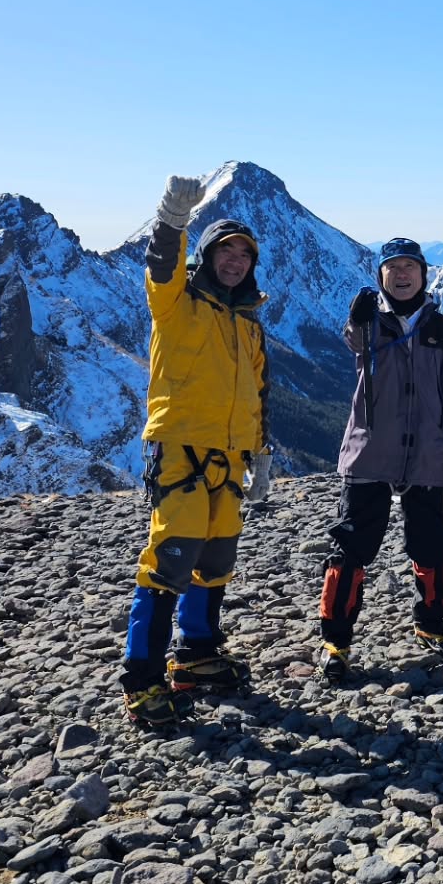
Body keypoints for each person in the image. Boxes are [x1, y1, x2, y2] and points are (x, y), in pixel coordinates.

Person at [120, 175, 270, 728]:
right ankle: (142, 681)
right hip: (180, 448)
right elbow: (159, 266)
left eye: (243, 255)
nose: (234, 262)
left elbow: (257, 389)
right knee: (169, 562)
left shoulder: (246, 321)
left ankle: (197, 657)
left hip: (230, 456)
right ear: (205, 256)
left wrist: (261, 450)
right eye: (225, 252)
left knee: (214, 561)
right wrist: (172, 220)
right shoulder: (176, 302)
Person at [315, 237, 443, 682]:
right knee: (351, 548)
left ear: (423, 273)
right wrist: (358, 318)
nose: (402, 275)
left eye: (410, 267)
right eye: (392, 268)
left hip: (426, 453)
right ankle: (336, 642)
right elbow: (354, 341)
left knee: (432, 544)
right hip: (370, 453)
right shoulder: (369, 324)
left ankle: (431, 624)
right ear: (380, 276)